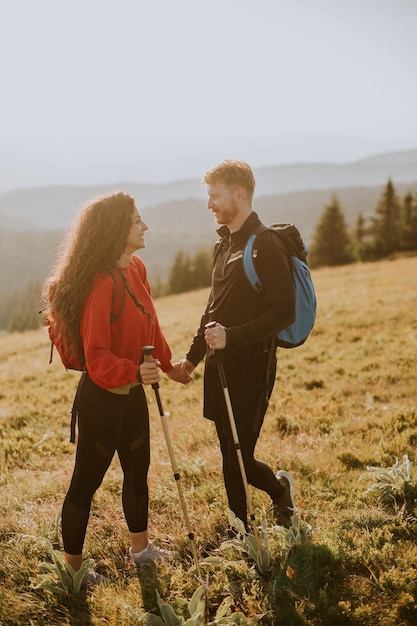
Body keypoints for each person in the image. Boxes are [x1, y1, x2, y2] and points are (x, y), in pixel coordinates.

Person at [42, 191, 190, 587]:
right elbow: (98, 358)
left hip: (133, 397)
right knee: (85, 483)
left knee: (137, 472)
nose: (144, 226)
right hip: (102, 400)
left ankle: (141, 550)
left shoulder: (136, 268)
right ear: (116, 230)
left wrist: (169, 364)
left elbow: (150, 325)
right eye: (137, 221)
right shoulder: (102, 285)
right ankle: (72, 571)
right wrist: (136, 372)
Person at [178, 160, 296, 532]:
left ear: (239, 194)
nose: (210, 204)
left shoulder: (266, 243)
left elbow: (284, 311)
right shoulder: (222, 246)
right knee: (231, 454)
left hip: (253, 367)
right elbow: (212, 310)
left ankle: (270, 500)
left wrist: (233, 337)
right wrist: (193, 358)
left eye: (215, 196)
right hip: (219, 367)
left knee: (239, 456)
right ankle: (242, 527)